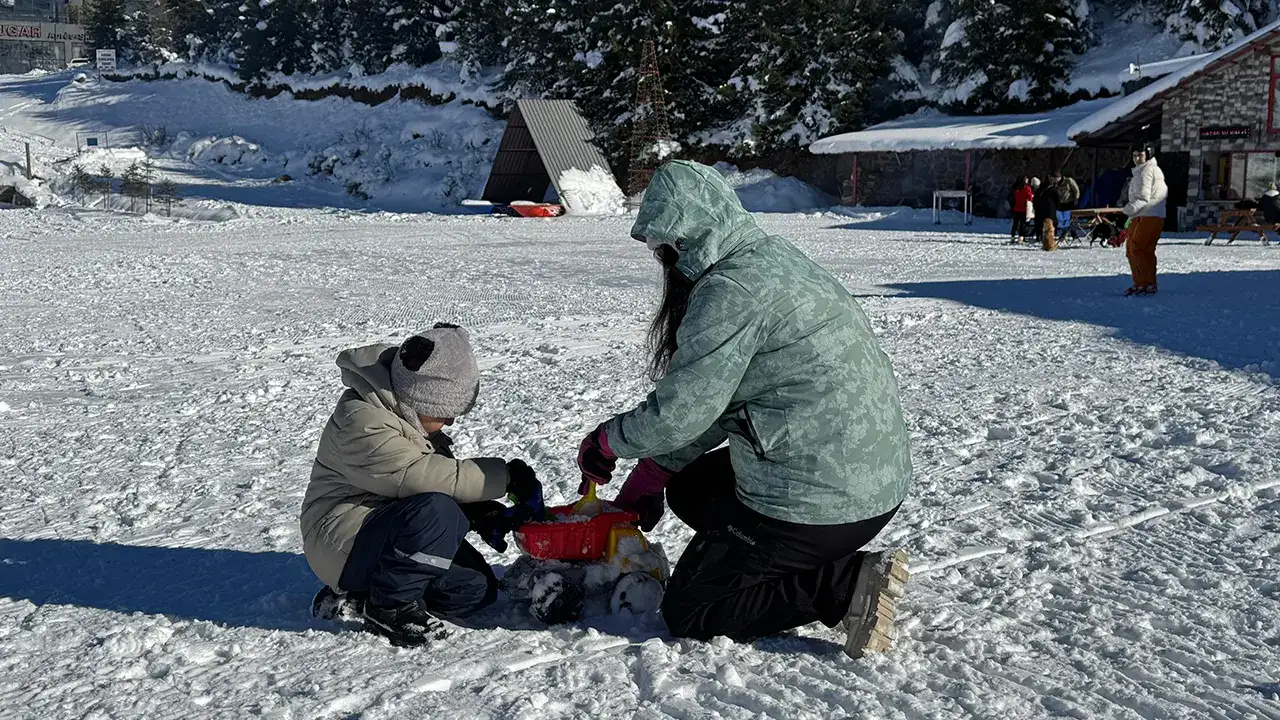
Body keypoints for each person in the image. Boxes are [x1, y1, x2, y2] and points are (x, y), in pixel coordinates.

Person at [574, 160, 913, 660]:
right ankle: (762, 556)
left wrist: (609, 441)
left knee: (691, 611)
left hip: (825, 499)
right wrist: (653, 471)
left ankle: (842, 584)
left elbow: (679, 413)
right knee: (689, 487)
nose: (661, 262)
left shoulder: (729, 292)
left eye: (661, 250)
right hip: (867, 478)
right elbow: (718, 401)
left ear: (683, 241)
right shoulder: (770, 260)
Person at [300, 324, 544, 646]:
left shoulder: (409, 418)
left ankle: (363, 596)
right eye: (445, 414)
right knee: (438, 512)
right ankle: (389, 609)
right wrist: (503, 477)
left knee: (474, 590)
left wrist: (479, 511)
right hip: (342, 537)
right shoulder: (361, 422)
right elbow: (422, 476)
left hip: (387, 526)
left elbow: (432, 481)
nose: (451, 422)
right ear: (420, 401)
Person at [1121, 143, 1168, 296]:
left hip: (1147, 214)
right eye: (1134, 155)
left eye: (1140, 155)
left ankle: (1143, 283)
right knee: (1144, 250)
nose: (1136, 158)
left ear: (1148, 155)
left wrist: (1126, 211)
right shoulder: (1148, 170)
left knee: (1136, 249)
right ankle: (1148, 283)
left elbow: (1142, 198)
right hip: (1149, 214)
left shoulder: (1146, 171)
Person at [1032, 176, 1061, 251]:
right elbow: (1058, 202)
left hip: (1040, 212)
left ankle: (1044, 242)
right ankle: (1050, 244)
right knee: (1051, 229)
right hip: (1050, 212)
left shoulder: (1039, 190)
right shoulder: (1054, 190)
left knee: (1044, 229)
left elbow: (1035, 201)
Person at [1011, 177, 1033, 243]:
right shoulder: (1027, 188)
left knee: (1015, 224)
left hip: (1015, 208)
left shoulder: (1015, 187)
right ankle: (1021, 238)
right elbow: (1030, 198)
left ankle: (1013, 237)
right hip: (1023, 209)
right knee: (1022, 224)